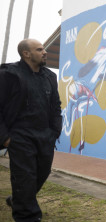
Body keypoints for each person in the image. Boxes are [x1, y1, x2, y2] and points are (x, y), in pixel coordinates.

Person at [0, 39, 62, 221]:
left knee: (42, 172)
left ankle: (18, 199)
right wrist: (6, 138)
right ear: (26, 54)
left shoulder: (50, 76)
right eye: (39, 49)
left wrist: (54, 132)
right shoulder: (8, 75)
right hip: (20, 135)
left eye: (43, 49)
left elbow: (56, 106)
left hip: (45, 135)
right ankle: (28, 215)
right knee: (25, 177)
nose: (45, 52)